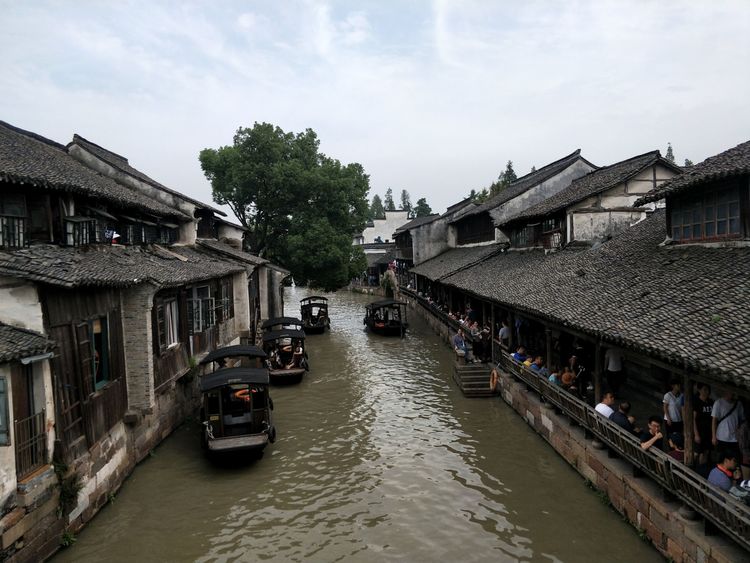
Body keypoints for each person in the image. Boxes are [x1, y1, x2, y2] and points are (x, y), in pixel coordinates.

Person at [712, 391, 745, 459]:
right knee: (721, 459)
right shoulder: (719, 402)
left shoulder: (738, 404)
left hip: (734, 438)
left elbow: (742, 418)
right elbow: (714, 420)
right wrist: (713, 436)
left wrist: (739, 430)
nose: (732, 394)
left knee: (734, 459)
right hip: (721, 436)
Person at [693, 383, 714, 466]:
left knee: (706, 451)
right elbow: (693, 419)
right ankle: (692, 467)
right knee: (697, 452)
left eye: (708, 390)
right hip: (700, 431)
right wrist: (696, 434)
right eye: (704, 389)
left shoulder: (711, 402)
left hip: (708, 432)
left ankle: (702, 469)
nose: (707, 392)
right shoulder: (696, 402)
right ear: (699, 390)